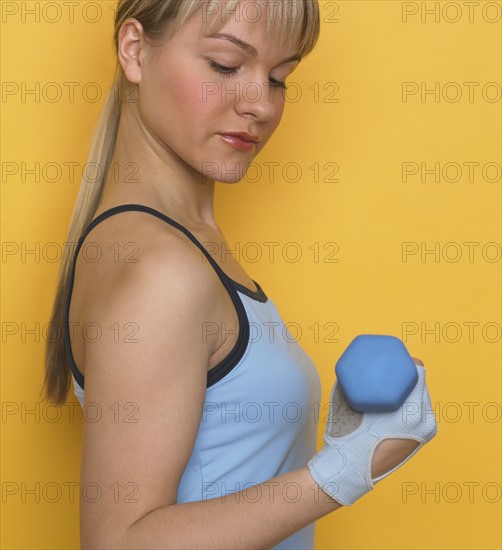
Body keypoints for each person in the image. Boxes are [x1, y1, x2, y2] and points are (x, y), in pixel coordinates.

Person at [42, 1, 437, 548]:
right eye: (226, 65)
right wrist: (345, 471)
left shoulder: (185, 245)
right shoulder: (163, 269)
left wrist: (337, 445)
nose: (260, 104)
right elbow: (121, 542)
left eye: (278, 78)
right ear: (135, 51)